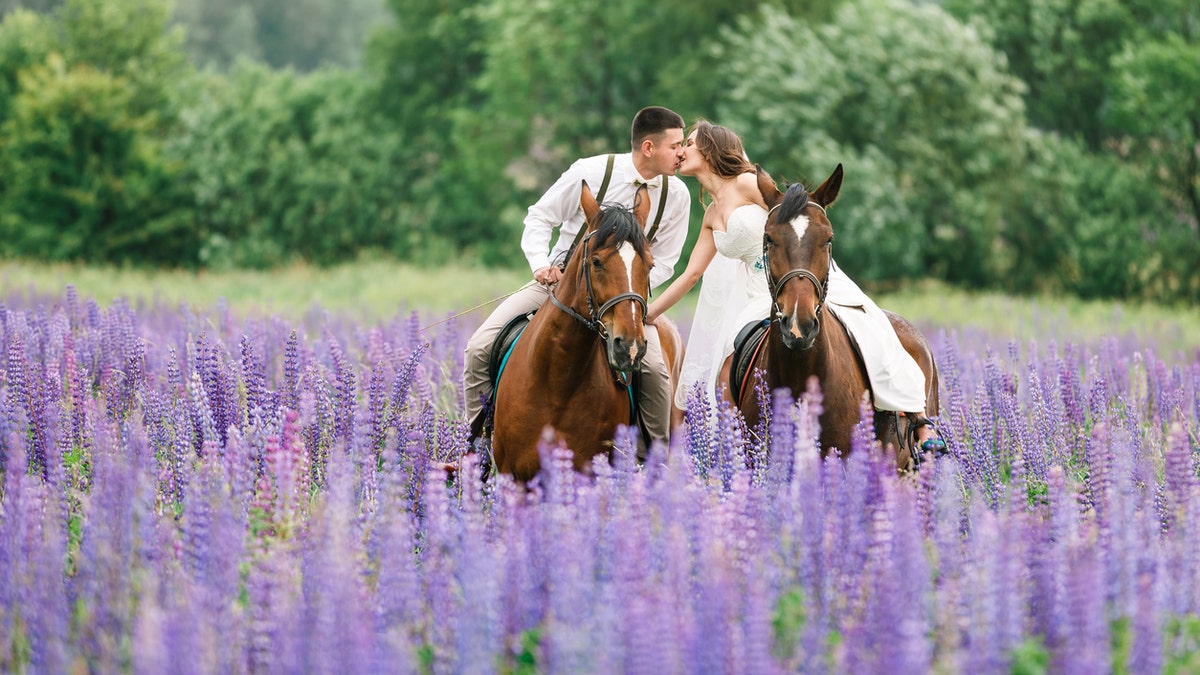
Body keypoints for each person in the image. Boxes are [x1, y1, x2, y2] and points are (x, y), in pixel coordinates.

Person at [646, 120, 943, 452]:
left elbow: (795, 216)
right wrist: (648, 312)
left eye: (688, 142)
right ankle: (740, 446)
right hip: (755, 298)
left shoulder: (748, 184)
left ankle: (918, 420)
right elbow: (690, 275)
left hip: (796, 277)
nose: (681, 150)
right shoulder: (711, 214)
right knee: (727, 361)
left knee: (869, 323)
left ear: (711, 148)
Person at [463, 106, 692, 448]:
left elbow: (667, 261)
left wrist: (626, 291)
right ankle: (476, 448)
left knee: (656, 371)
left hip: (624, 301)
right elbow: (539, 217)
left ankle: (651, 464)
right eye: (676, 145)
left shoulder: (677, 196)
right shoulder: (591, 172)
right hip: (558, 286)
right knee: (479, 348)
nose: (683, 153)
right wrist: (540, 264)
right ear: (648, 147)